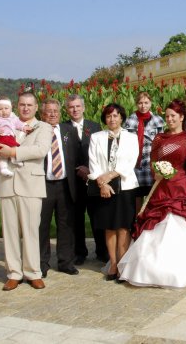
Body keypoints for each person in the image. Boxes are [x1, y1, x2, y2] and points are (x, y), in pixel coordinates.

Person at [118, 99, 186, 287]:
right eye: (167, 116)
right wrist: (156, 171)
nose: (169, 119)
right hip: (162, 186)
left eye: (173, 116)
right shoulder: (159, 138)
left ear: (182, 117)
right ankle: (147, 270)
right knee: (156, 223)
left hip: (181, 186)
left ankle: (180, 270)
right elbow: (153, 160)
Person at [0, 91, 53, 291]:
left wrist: (12, 152)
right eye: (22, 104)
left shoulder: (43, 127)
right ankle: (14, 273)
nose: (26, 108)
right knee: (10, 232)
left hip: (31, 185)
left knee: (31, 231)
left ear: (36, 107)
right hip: (7, 183)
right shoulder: (5, 124)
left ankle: (33, 272)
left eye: (29, 105)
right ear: (16, 106)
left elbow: (40, 150)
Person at [88, 103, 139, 282]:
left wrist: (111, 174)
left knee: (123, 225)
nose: (112, 119)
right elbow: (93, 162)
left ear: (121, 117)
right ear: (105, 118)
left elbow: (131, 161)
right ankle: (113, 264)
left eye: (115, 115)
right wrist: (102, 183)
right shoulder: (96, 137)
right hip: (104, 188)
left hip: (125, 186)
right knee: (109, 225)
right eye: (109, 116)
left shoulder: (131, 137)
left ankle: (123, 265)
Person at [64, 94, 107, 266]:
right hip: (73, 180)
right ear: (67, 109)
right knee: (76, 218)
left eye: (77, 106)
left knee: (96, 216)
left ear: (83, 108)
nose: (75, 110)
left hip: (93, 178)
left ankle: (102, 250)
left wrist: (90, 170)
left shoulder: (94, 126)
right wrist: (77, 168)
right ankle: (79, 252)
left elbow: (100, 152)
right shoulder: (62, 128)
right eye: (71, 107)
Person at [39, 99, 79, 277]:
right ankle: (42, 264)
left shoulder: (69, 130)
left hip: (65, 184)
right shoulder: (37, 131)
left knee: (66, 225)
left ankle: (66, 262)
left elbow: (76, 155)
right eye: (49, 111)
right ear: (42, 114)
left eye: (56, 111)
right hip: (44, 185)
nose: (53, 114)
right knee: (42, 225)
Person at [123, 92, 165, 212]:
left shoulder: (158, 120)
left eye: (146, 103)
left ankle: (151, 219)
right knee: (137, 196)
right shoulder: (130, 121)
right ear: (136, 104)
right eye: (140, 103)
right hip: (136, 165)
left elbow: (161, 142)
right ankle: (138, 219)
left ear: (150, 103)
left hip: (152, 163)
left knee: (153, 196)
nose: (143, 106)